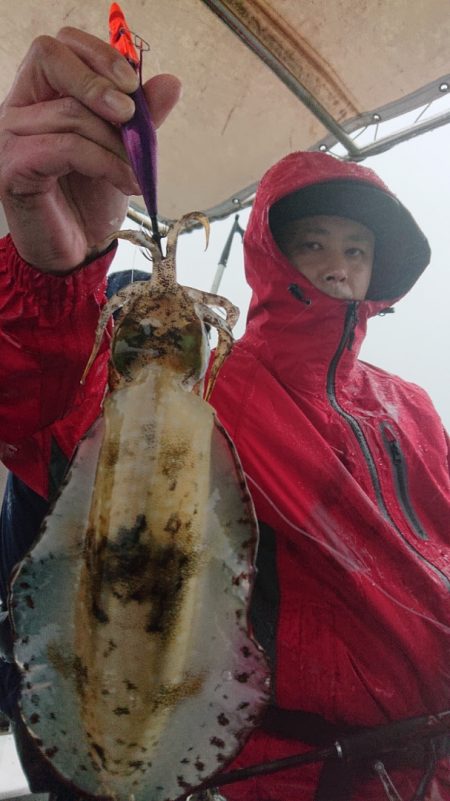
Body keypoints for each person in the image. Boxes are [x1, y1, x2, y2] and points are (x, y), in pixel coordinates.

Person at [0, 26, 449, 801]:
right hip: (293, 778)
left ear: (379, 271)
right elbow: (37, 418)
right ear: (273, 254)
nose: (337, 263)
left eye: (356, 248)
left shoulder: (409, 406)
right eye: (312, 242)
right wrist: (55, 273)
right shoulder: (214, 391)